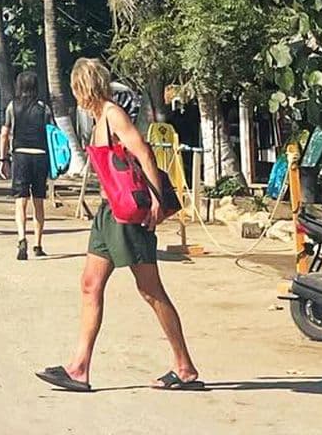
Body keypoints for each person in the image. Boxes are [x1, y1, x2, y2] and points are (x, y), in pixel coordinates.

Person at [36, 58, 203, 394]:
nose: (75, 95)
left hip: (128, 214)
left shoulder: (113, 114)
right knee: (89, 284)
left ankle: (184, 366)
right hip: (108, 213)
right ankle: (78, 368)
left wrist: (156, 198)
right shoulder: (98, 117)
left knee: (150, 290)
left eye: (76, 88)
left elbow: (143, 152)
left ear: (85, 86)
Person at [0, 70, 51, 260]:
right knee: (38, 201)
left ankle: (22, 239)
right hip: (40, 156)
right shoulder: (44, 108)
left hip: (20, 156)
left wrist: (3, 159)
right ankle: (38, 244)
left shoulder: (12, 107)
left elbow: (4, 134)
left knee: (20, 201)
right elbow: (51, 134)